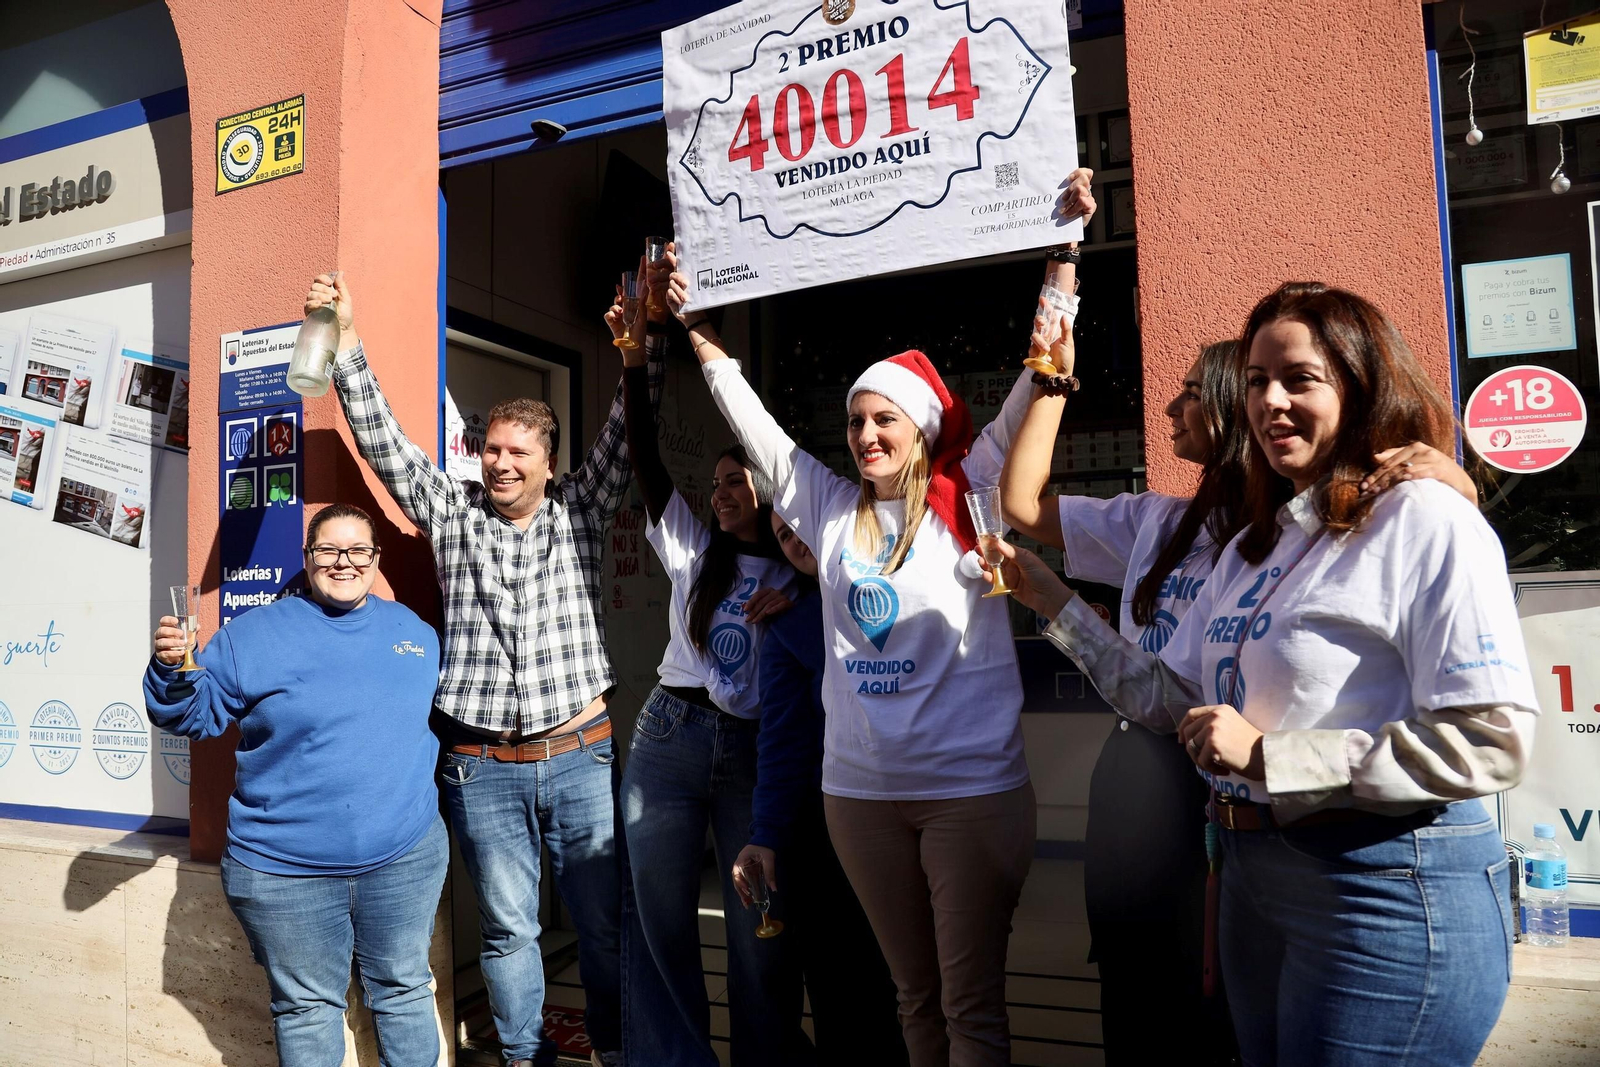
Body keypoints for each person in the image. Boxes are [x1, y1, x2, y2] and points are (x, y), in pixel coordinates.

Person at [993, 281, 1538, 1067]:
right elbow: (1166, 697)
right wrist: (1051, 601)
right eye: (1256, 382)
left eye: (1300, 379)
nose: (1271, 401)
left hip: (1382, 883)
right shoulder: (1265, 541)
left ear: (1360, 383)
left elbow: (1492, 741)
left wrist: (1272, 756)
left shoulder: (1425, 516)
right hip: (1252, 875)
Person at [662, 171, 1093, 1066]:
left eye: (883, 418)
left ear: (923, 426)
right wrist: (695, 329)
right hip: (858, 800)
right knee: (914, 1000)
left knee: (970, 1007)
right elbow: (752, 420)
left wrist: (1065, 254)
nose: (864, 435)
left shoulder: (971, 492)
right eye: (856, 420)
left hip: (971, 793)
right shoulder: (823, 504)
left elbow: (1037, 366)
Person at [311, 271, 659, 1067]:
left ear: (548, 460)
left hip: (580, 756)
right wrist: (348, 338)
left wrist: (642, 349)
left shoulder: (581, 505)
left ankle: (616, 1050)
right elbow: (385, 443)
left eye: (517, 453)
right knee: (508, 931)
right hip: (482, 768)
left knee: (604, 924)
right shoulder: (451, 512)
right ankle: (524, 1056)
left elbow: (627, 432)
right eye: (490, 449)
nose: (499, 464)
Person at [144, 503, 446, 1067]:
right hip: (285, 871)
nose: (344, 562)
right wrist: (171, 668)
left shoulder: (416, 634)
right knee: (306, 1010)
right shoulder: (252, 636)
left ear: (376, 559)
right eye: (329, 550)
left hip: (403, 858)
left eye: (358, 550)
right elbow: (193, 716)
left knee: (405, 992)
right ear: (307, 559)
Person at [605, 275, 808, 1067]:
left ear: (768, 487)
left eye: (737, 480)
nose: (721, 493)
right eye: (717, 482)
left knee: (763, 927)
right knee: (659, 921)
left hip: (759, 756)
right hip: (672, 733)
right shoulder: (692, 545)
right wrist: (633, 356)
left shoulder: (802, 567)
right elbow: (642, 453)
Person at [731, 510, 910, 1067]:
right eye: (783, 537)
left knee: (920, 987)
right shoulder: (790, 626)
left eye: (801, 527)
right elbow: (781, 743)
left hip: (919, 819)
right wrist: (766, 834)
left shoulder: (905, 597)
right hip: (825, 832)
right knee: (840, 989)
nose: (794, 542)